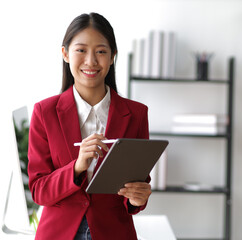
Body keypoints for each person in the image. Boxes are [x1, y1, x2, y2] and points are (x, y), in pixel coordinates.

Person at [28, 12, 152, 240]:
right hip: (58, 233)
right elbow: (38, 190)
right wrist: (76, 167)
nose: (91, 61)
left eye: (101, 51)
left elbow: (137, 186)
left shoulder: (136, 114)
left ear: (113, 56)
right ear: (65, 53)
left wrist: (138, 198)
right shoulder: (45, 113)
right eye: (81, 50)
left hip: (113, 232)